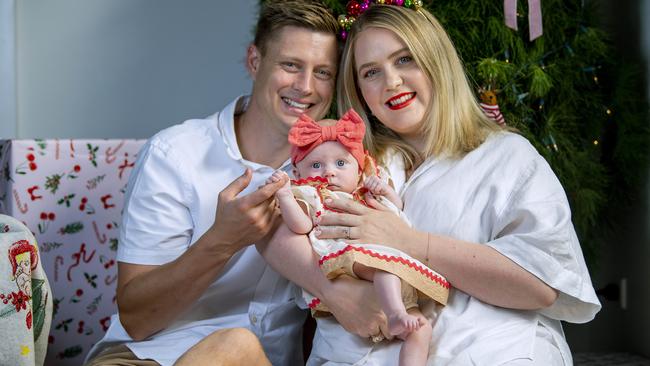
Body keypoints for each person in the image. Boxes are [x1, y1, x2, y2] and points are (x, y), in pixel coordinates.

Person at [263, 3, 601, 365]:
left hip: (487, 351)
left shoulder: (508, 157)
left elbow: (541, 286)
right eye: (371, 72)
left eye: (405, 59)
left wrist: (408, 241)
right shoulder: (344, 159)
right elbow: (268, 229)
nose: (391, 81)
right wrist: (331, 288)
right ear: (360, 91)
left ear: (437, 61)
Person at [82, 1, 380, 365]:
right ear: (255, 61)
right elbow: (137, 319)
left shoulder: (341, 170)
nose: (305, 87)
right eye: (290, 65)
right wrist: (222, 241)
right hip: (145, 356)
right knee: (233, 345)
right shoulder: (175, 154)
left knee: (238, 348)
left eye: (323, 72)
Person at [260, 109, 449, 365]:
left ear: (359, 168)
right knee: (385, 269)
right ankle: (394, 315)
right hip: (349, 264)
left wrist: (385, 191)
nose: (329, 172)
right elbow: (301, 225)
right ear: (297, 173)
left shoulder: (366, 193)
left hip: (395, 277)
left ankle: (402, 331)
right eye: (316, 165)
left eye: (341, 163)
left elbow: (397, 210)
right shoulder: (312, 195)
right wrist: (284, 196)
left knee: (421, 330)